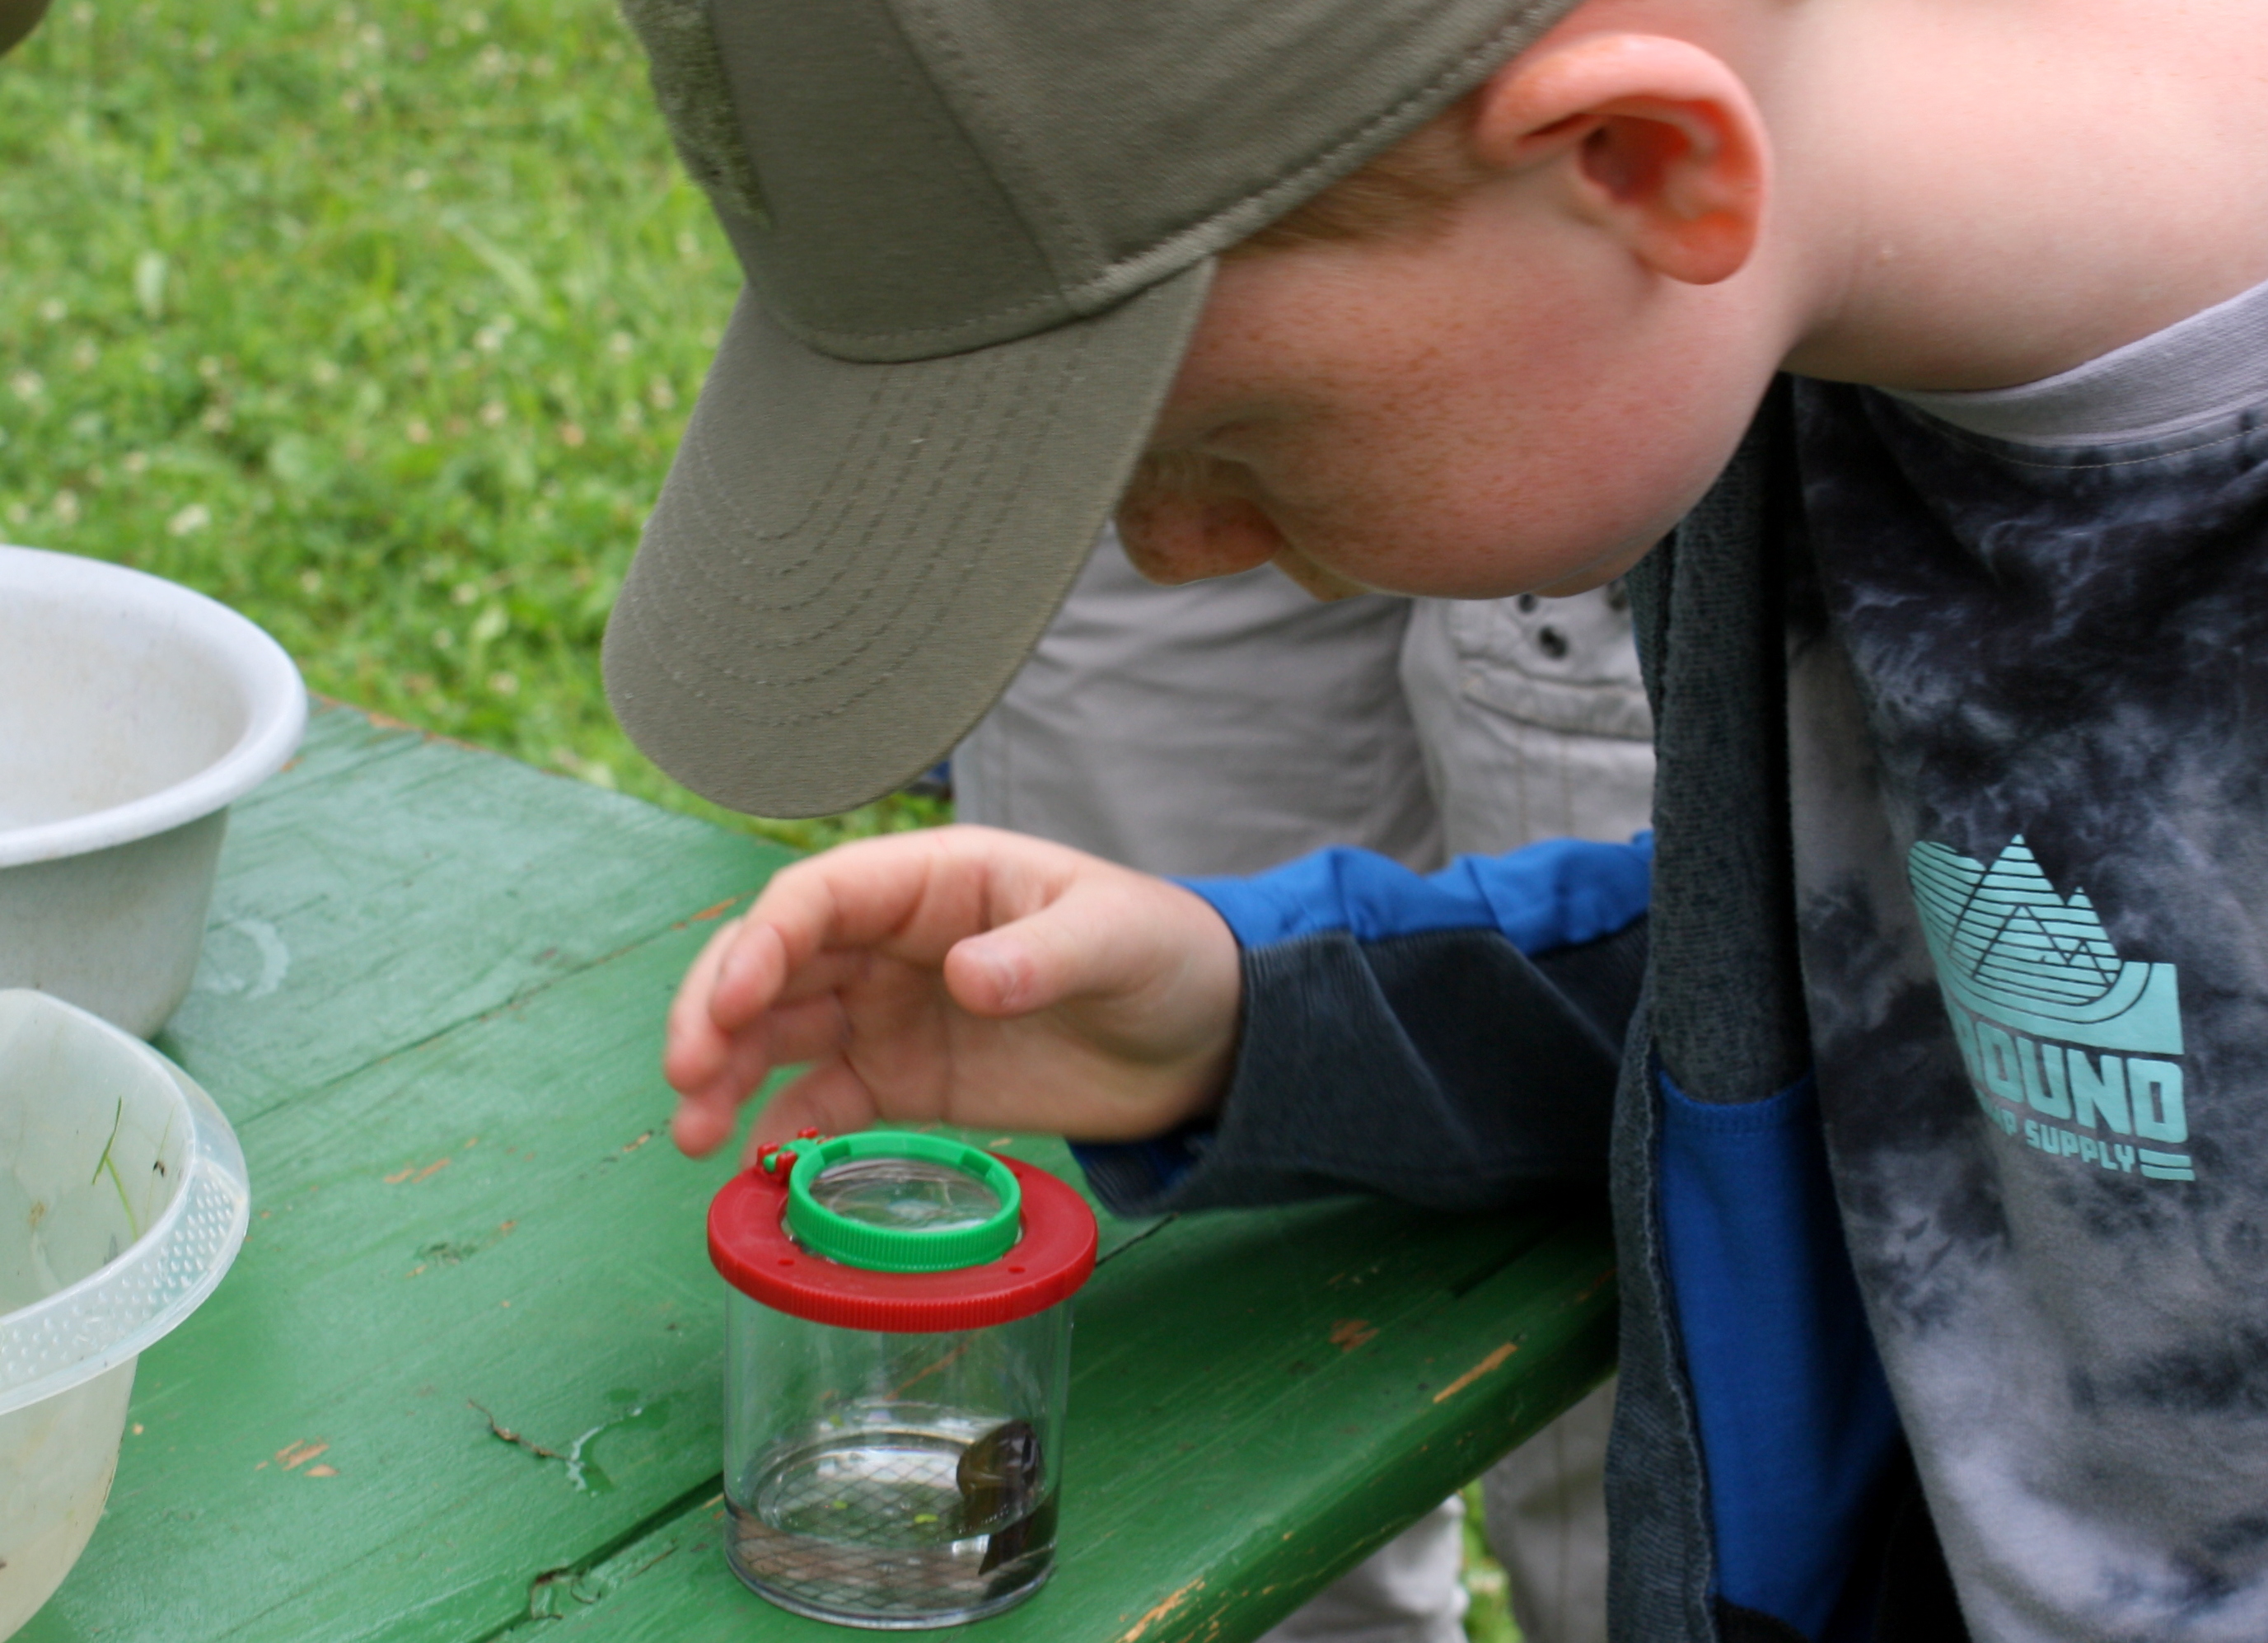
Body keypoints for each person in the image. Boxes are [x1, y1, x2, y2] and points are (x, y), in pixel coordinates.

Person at [605, 0, 2268, 1636]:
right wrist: (1252, 1017)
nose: (1168, 551)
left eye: (1227, 441)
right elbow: (1876, 1005)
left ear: (1638, 164)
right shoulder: (1783, 341)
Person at [952, 529, 1645, 1643]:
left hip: (1598, 508)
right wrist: (1236, 1017)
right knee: (1223, 1388)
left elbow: (1675, 999)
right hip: (1092, 472)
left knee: (1636, 1370)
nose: (1199, 524)